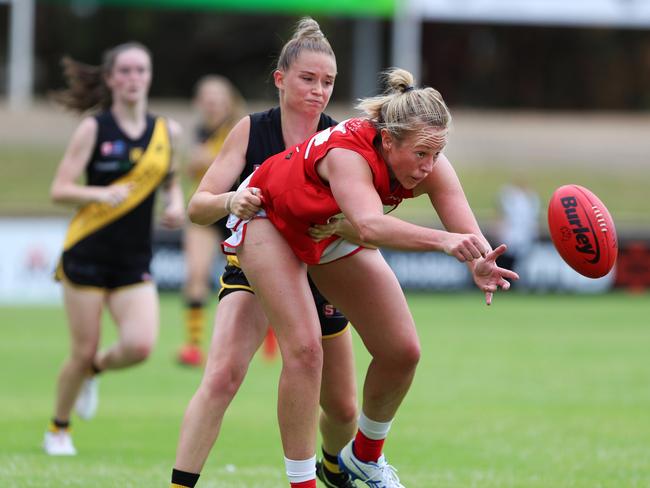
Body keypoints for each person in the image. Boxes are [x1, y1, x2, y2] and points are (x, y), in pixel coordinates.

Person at [219, 68, 519, 487]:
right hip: (269, 217)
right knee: (306, 352)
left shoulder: (430, 162)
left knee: (402, 351)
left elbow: (467, 234)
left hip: (331, 225)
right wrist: (445, 243)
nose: (429, 166)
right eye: (421, 154)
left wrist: (479, 261)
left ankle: (363, 457)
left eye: (437, 154)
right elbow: (371, 227)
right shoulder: (349, 153)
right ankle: (301, 483)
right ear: (389, 140)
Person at [171, 18, 358, 488]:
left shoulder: (341, 140)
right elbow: (198, 206)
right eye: (308, 79)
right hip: (253, 270)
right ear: (280, 78)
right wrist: (231, 199)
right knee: (222, 377)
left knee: (343, 408)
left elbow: (364, 219)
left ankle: (334, 465)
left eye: (328, 82)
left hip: (320, 271)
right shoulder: (251, 131)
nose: (319, 91)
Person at [44, 42, 185, 456]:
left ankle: (95, 371)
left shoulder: (167, 132)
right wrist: (99, 195)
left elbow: (170, 183)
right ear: (109, 79)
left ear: (149, 76)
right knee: (81, 349)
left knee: (140, 345)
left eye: (140, 70)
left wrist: (175, 204)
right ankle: (58, 430)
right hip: (85, 254)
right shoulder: (94, 128)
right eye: (124, 71)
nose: (132, 78)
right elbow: (59, 189)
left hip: (133, 259)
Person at [178, 75, 246, 366]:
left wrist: (208, 158)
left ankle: (271, 341)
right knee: (195, 274)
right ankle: (193, 346)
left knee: (260, 279)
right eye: (206, 98)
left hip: (240, 212)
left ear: (228, 101)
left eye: (217, 98)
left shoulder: (240, 129)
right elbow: (192, 168)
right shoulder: (199, 132)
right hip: (209, 212)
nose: (212, 103)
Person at [496, 177, 540, 277]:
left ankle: (513, 279)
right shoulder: (517, 200)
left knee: (518, 260)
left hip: (521, 235)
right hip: (514, 235)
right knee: (509, 258)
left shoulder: (528, 200)